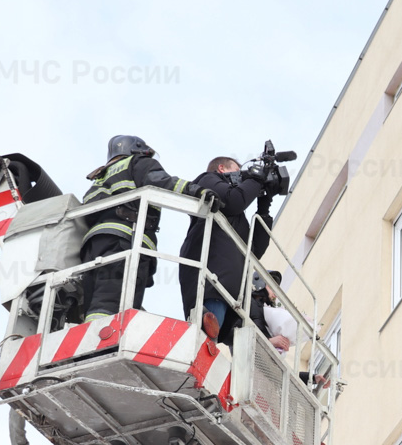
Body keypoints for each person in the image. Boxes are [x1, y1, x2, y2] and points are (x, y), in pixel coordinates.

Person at [79, 135, 213, 322]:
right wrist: (197, 191)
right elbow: (161, 182)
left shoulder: (99, 178)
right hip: (124, 240)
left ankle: (91, 337)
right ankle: (100, 342)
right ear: (137, 148)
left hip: (93, 246)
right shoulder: (138, 162)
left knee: (96, 302)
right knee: (112, 302)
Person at [178, 156, 273, 339]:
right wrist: (256, 179)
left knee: (210, 338)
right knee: (204, 337)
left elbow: (255, 250)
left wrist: (264, 209)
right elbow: (233, 201)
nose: (243, 177)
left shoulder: (236, 219)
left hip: (228, 291)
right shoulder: (208, 180)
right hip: (212, 282)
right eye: (238, 170)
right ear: (221, 168)